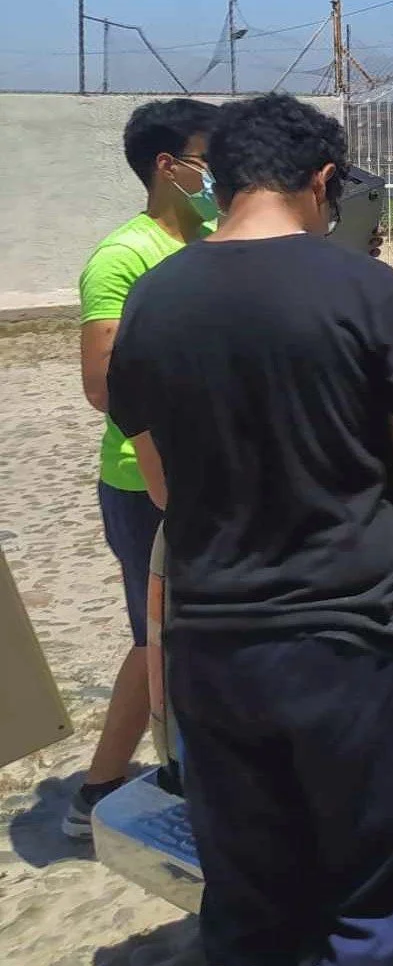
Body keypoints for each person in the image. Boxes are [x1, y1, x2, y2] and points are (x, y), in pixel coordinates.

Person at [105, 93, 393, 966]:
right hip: (358, 642)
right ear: (322, 180)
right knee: (374, 899)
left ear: (216, 180)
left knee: (246, 901)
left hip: (213, 649)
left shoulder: (153, 296)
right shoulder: (366, 289)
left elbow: (162, 488)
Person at [64, 97, 222, 839]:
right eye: (209, 159)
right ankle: (98, 790)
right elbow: (103, 384)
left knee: (186, 637)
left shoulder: (216, 238)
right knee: (155, 638)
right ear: (169, 166)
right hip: (144, 481)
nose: (220, 173)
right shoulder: (123, 255)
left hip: (209, 473)